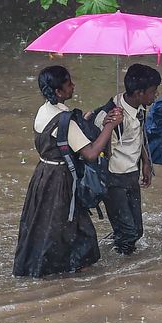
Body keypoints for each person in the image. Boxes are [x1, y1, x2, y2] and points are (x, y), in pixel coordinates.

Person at [13, 65, 123, 277]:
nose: (73, 86)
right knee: (68, 227)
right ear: (58, 92)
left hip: (43, 174)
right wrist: (110, 127)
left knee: (43, 223)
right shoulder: (64, 121)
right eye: (69, 84)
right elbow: (90, 153)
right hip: (61, 180)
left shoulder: (45, 111)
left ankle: (38, 266)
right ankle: (65, 271)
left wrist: (86, 119)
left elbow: (61, 142)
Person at [92, 64, 161, 255]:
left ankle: (117, 247)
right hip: (113, 180)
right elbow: (99, 154)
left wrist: (146, 162)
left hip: (131, 175)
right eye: (153, 92)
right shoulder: (111, 115)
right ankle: (121, 272)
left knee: (136, 230)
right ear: (139, 93)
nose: (155, 96)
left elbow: (139, 135)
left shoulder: (139, 107)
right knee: (128, 233)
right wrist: (110, 125)